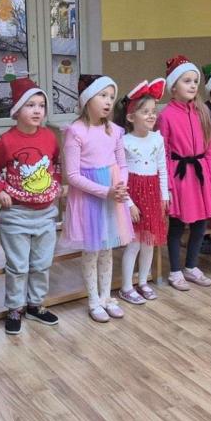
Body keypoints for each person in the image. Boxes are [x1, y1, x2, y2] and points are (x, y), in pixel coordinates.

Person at [0, 78, 63, 335]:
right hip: (16, 214)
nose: (37, 110)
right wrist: (0, 189)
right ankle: (15, 308)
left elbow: (56, 164)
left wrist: (57, 184)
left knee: (42, 263)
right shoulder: (6, 141)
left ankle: (35, 305)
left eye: (41, 105)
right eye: (30, 105)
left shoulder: (50, 137)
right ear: (17, 110)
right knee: (18, 266)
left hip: (46, 213)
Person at [62, 74, 133, 322]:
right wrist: (105, 191)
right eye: (103, 95)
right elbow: (72, 175)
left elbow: (122, 164)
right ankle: (93, 301)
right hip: (90, 199)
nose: (109, 101)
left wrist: (121, 186)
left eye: (112, 96)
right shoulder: (75, 131)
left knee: (107, 249)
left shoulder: (115, 131)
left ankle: (106, 297)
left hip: (112, 196)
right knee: (92, 251)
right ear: (87, 99)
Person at [156, 55, 211, 290]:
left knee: (201, 224)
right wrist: (167, 187)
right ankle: (175, 271)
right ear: (173, 86)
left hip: (200, 175)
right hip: (179, 176)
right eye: (186, 81)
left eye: (195, 81)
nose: (193, 85)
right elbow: (163, 153)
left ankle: (191, 266)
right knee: (176, 225)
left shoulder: (202, 112)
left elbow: (210, 147)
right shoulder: (166, 116)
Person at [116, 78, 169, 304]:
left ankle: (144, 282)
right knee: (134, 244)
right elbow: (120, 178)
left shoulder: (158, 139)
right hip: (134, 196)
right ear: (131, 117)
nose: (151, 115)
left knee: (149, 243)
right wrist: (129, 204)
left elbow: (162, 169)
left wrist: (164, 197)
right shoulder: (124, 141)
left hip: (153, 195)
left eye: (153, 111)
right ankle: (127, 287)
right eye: (145, 111)